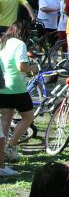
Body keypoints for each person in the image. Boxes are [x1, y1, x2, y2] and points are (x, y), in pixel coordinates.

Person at [0, 20, 39, 172]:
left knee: (6, 118)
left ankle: (2, 151)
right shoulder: (20, 44)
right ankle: (10, 146)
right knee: (28, 117)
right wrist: (33, 67)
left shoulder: (3, 41)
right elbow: (21, 67)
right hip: (16, 87)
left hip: (2, 86)